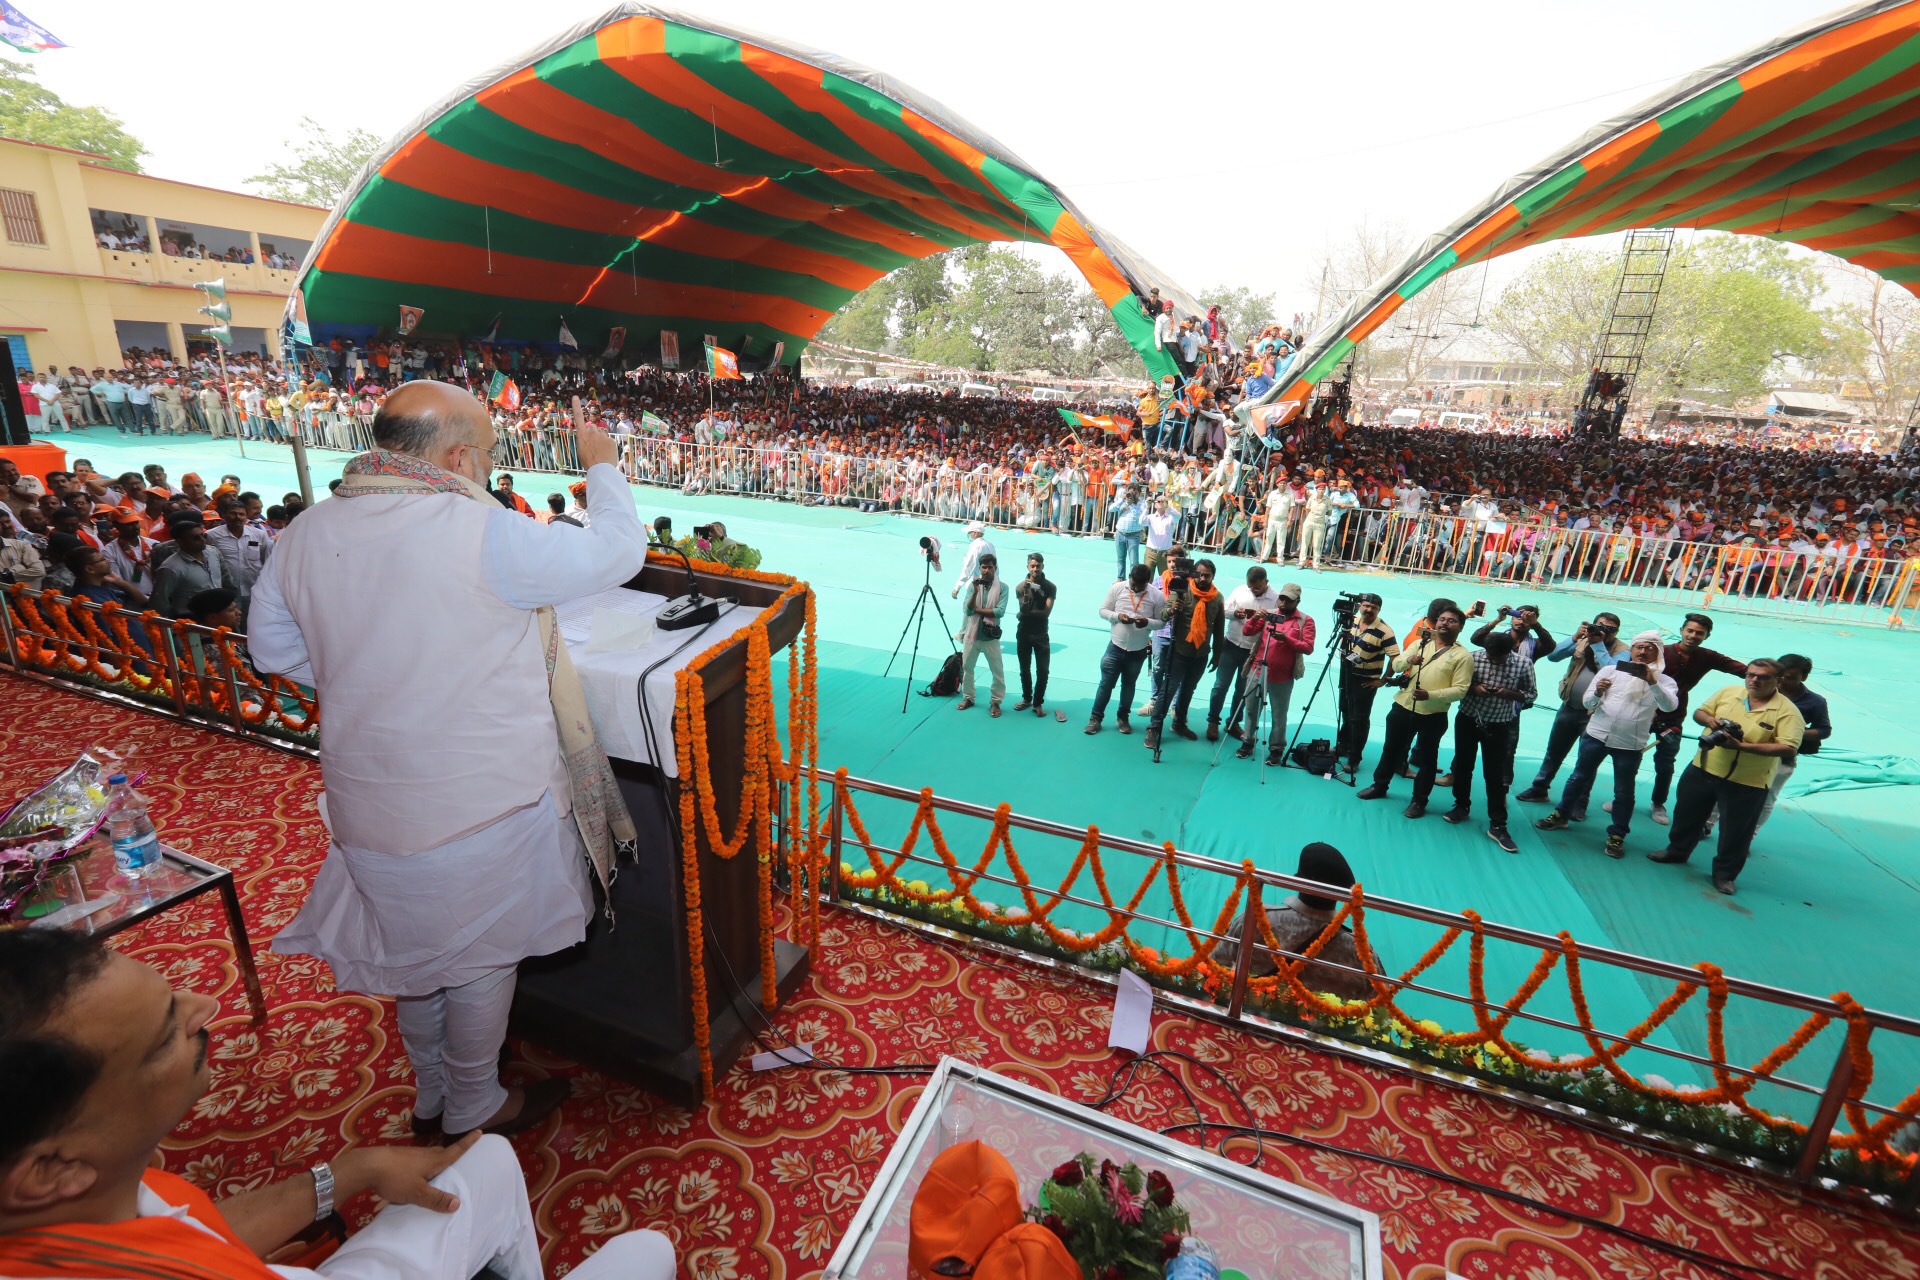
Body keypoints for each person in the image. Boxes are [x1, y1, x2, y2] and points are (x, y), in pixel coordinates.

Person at [249, 384, 646, 1139]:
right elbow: (619, 553)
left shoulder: (308, 529)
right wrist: (602, 467)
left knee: (417, 957)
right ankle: (472, 1103)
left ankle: (432, 1092)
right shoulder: (480, 531)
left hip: (367, 798)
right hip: (480, 801)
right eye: (490, 452)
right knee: (478, 963)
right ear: (460, 455)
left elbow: (273, 652)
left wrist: (373, 677)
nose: (488, 467)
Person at [0, 930, 674, 1280]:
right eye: (163, 1036)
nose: (205, 1008)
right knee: (648, 1252)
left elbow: (176, 1221)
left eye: (174, 995)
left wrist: (344, 1174)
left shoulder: (84, 1197)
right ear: (53, 1170)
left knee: (489, 1159)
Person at [1648, 660, 1804, 895]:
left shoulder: (1788, 712)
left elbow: (1788, 748)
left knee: (1736, 832)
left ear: (1777, 681)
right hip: (1704, 768)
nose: (1754, 680)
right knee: (1686, 815)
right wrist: (1711, 721)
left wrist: (1742, 746)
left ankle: (1724, 875)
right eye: (1751, 675)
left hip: (1747, 781)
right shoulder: (1729, 692)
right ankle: (1676, 851)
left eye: (1763, 677)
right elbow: (1700, 713)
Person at [1535, 630, 1677, 857]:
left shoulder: (1665, 681)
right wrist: (1599, 692)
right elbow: (1587, 701)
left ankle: (1617, 834)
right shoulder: (1611, 670)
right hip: (1596, 734)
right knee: (1578, 777)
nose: (1642, 651)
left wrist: (1652, 682)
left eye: (1649, 648)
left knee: (1623, 791)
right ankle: (1561, 815)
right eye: (1639, 647)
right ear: (1631, 650)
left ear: (1658, 652)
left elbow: (1669, 706)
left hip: (1629, 744)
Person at [1215, 843, 1375, 997]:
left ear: (1297, 880)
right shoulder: (1360, 952)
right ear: (1343, 894)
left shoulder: (1253, 920)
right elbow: (1378, 1007)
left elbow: (1213, 968)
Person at [1358, 602, 1471, 816]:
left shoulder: (1463, 656)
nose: (1445, 623)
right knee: (1391, 749)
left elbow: (1461, 690)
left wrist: (1431, 695)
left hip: (1433, 714)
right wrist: (1408, 659)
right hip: (1403, 706)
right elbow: (1398, 664)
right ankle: (1379, 786)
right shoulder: (1420, 643)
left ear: (1461, 627)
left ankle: (1419, 801)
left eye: (1452, 621)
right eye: (1442, 619)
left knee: (1428, 760)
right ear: (1436, 622)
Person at [1514, 613, 1628, 813]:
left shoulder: (1624, 651)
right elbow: (1553, 655)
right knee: (1553, 753)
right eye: (1599, 625)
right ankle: (1539, 789)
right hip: (1569, 707)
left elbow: (1613, 672)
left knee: (1587, 761)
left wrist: (1598, 645)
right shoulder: (1583, 640)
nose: (1602, 630)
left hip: (1596, 714)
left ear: (1616, 632)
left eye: (1609, 629)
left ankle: (1578, 802)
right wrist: (1576, 637)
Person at [1643, 613, 1749, 827]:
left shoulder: (1707, 656)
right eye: (1689, 631)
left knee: (1665, 763)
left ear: (1707, 636)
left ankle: (1658, 803)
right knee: (1628, 755)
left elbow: (1740, 669)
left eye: (1699, 633)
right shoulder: (1661, 652)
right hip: (1644, 712)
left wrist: (1766, 679)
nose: (1693, 636)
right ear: (1682, 630)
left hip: (1673, 718)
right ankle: (1621, 797)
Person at [1443, 628, 1537, 852]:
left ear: (1510, 651)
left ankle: (1498, 824)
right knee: (1463, 766)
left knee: (1494, 774)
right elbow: (1458, 686)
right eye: (1491, 656)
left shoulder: (1523, 664)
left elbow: (1531, 694)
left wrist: (1508, 694)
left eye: (1499, 658)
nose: (1494, 661)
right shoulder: (1472, 658)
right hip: (1468, 720)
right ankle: (1461, 806)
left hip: (1499, 724)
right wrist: (1475, 689)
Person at [1145, 558, 1222, 753]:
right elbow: (1163, 615)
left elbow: (1219, 628)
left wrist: (1217, 654)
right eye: (1200, 574)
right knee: (1169, 689)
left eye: (1207, 575)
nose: (1203, 578)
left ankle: (1179, 723)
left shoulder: (1217, 598)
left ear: (1213, 576)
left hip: (1201, 653)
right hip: (1179, 650)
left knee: (1188, 690)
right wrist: (1172, 609)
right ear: (1193, 574)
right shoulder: (1181, 589)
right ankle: (1154, 727)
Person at [1234, 582, 1316, 765]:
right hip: (1257, 670)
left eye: (1289, 600)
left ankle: (1276, 749)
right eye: (1282, 598)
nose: (1283, 603)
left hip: (1283, 677)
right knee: (1251, 710)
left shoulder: (1305, 621)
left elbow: (1308, 647)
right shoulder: (1268, 614)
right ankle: (1248, 741)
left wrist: (1286, 639)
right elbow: (1247, 631)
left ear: (1298, 601)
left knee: (1279, 714)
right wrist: (1255, 618)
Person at [1086, 562, 1164, 736]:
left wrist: (1148, 623)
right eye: (1133, 583)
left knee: (1129, 686)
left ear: (1148, 581)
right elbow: (1102, 610)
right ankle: (1095, 718)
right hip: (1115, 646)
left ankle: (1123, 718)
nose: (1135, 587)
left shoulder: (1157, 596)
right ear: (1129, 577)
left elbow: (1162, 623)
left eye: (1140, 585)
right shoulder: (1117, 588)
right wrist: (1117, 616)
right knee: (1106, 684)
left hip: (1138, 651)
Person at [1758, 653, 1829, 828]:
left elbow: (1824, 730)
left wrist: (1793, 733)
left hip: (1783, 757)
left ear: (1804, 677)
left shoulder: (1815, 701)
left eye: (1790, 678)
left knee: (1767, 798)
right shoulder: (1761, 690)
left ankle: (1749, 836)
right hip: (1750, 749)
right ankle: (1708, 824)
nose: (1782, 681)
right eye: (1779, 675)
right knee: (1729, 791)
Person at [1210, 565, 1279, 741]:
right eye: (1250, 586)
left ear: (1266, 581)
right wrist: (1235, 613)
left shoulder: (1276, 598)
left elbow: (1278, 622)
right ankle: (1212, 722)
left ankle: (1233, 724)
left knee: (1242, 690)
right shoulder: (1240, 591)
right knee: (1220, 686)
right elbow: (1223, 610)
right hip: (1231, 644)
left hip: (1253, 650)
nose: (1253, 590)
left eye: (1257, 587)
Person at [1336, 593, 1398, 774]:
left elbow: (1395, 657)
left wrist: (1383, 680)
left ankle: (1355, 758)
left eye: (1374, 607)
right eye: (1366, 605)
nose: (1369, 609)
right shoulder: (1352, 621)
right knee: (1345, 710)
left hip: (1366, 681)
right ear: (1359, 606)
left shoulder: (1386, 631)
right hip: (1347, 674)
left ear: (1379, 610)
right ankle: (1344, 746)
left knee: (1359, 719)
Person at [955, 552, 1009, 716]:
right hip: (972, 635)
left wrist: (976, 611)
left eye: (990, 567)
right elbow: (966, 609)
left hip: (990, 637)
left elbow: (999, 612)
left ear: (995, 568)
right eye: (983, 567)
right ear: (980, 568)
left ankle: (996, 702)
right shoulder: (973, 586)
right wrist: (977, 591)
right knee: (967, 668)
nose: (986, 571)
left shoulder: (1003, 588)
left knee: (997, 672)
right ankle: (969, 698)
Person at [148, 512, 225, 619]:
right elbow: (160, 603)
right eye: (196, 538)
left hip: (218, 615)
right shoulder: (170, 568)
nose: (203, 540)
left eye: (203, 535)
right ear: (180, 541)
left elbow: (226, 581)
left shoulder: (213, 552)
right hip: (190, 621)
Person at [1012, 552, 1055, 717]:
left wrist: (1026, 613)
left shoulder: (1050, 587)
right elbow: (1024, 610)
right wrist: (1027, 595)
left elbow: (1046, 613)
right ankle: (1027, 698)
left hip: (1041, 633)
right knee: (1024, 669)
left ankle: (1038, 702)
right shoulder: (1020, 587)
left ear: (1043, 566)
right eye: (1032, 566)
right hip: (1023, 632)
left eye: (1038, 566)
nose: (1035, 569)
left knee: (1043, 671)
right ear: (1028, 567)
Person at [1109, 484, 1147, 578]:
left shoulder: (1142, 504)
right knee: (1120, 559)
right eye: (1131, 492)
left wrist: (1132, 505)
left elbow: (1140, 517)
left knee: (1134, 561)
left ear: (1139, 493)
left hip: (1133, 535)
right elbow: (1111, 509)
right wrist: (1122, 500)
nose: (1133, 495)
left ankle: (1133, 580)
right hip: (1120, 533)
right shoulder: (1123, 501)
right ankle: (1120, 578)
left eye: (1135, 493)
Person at [950, 520, 996, 597]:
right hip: (990, 583)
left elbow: (968, 568)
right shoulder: (990, 545)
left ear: (975, 533)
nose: (970, 535)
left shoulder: (976, 547)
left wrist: (957, 587)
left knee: (971, 607)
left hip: (976, 584)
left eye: (971, 532)